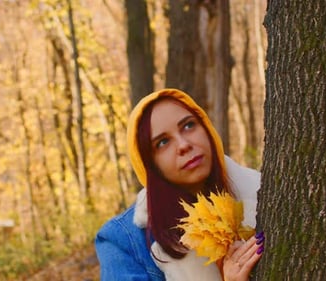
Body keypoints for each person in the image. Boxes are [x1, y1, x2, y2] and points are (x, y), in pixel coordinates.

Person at [95, 88, 264, 281]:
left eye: (189, 125)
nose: (184, 145)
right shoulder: (124, 241)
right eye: (163, 142)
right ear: (150, 165)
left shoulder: (261, 192)